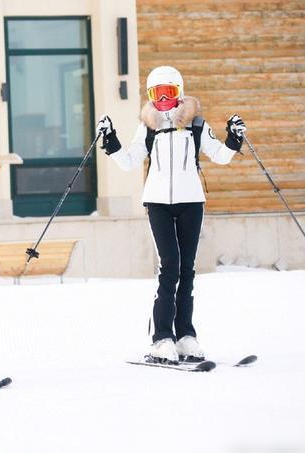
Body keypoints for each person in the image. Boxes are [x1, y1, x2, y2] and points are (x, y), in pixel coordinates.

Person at [96, 66, 247, 364]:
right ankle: (162, 338)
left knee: (187, 269)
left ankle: (186, 336)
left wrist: (234, 137)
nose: (163, 99)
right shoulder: (149, 127)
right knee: (170, 267)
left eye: (169, 92)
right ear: (151, 97)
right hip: (158, 204)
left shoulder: (196, 125)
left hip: (192, 202)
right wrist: (110, 139)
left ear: (179, 93)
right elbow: (129, 161)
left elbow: (220, 155)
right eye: (157, 94)